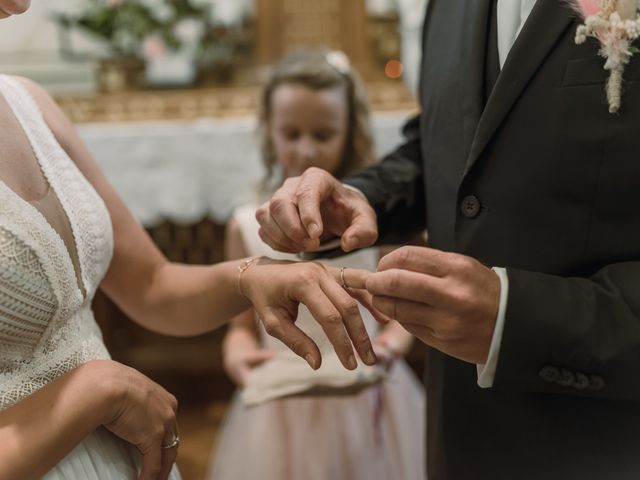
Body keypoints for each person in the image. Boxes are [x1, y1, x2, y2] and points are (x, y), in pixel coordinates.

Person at [255, 0, 640, 478]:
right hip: (457, 434)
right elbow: (451, 138)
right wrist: (363, 195)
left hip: (606, 442)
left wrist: (514, 320)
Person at [0, 3, 380, 479]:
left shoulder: (30, 104)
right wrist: (95, 390)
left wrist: (254, 275)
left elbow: (154, 286)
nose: (24, 4)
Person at [207, 49, 425, 480]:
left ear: (349, 131)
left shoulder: (371, 221)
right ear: (269, 130)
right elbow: (240, 327)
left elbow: (400, 315)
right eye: (291, 132)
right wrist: (240, 357)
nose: (306, 148)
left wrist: (392, 345)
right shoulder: (245, 225)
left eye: (323, 134)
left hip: (366, 391)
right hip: (283, 403)